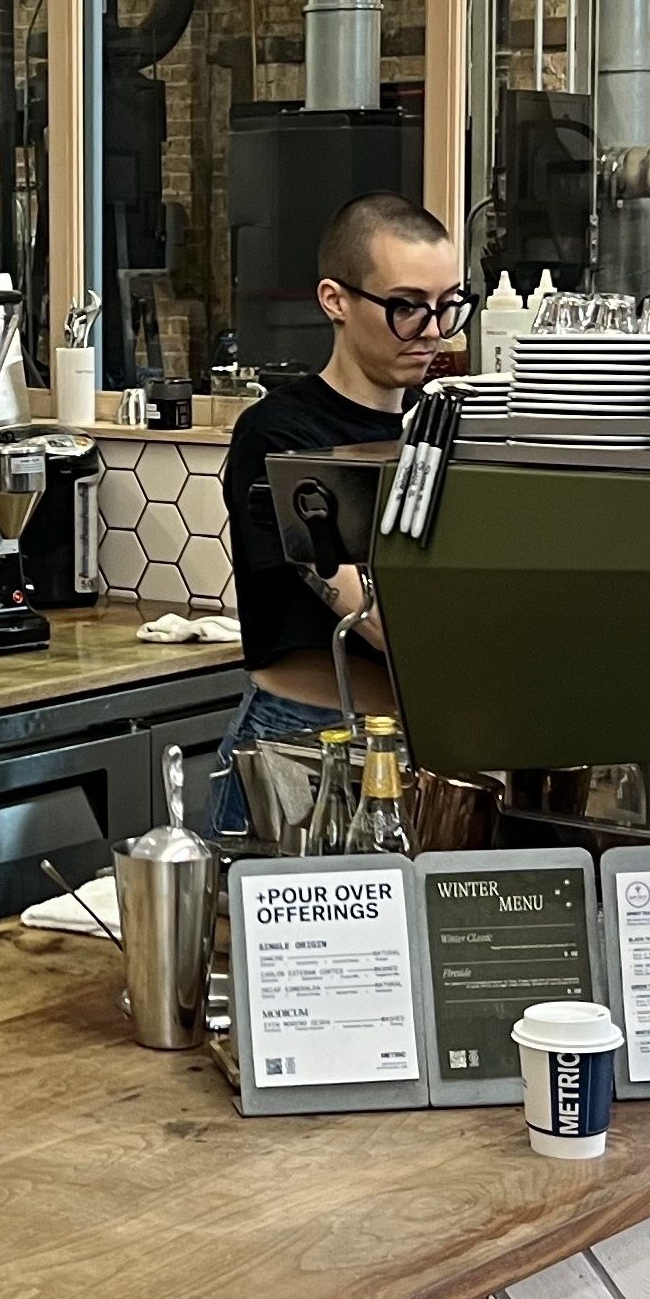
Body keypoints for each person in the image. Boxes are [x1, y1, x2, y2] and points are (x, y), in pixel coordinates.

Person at [210, 193, 467, 835]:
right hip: (302, 745)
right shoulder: (278, 435)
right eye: (406, 306)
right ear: (336, 300)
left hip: (426, 748)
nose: (433, 330)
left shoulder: (448, 428)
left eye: (448, 305)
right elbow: (369, 616)